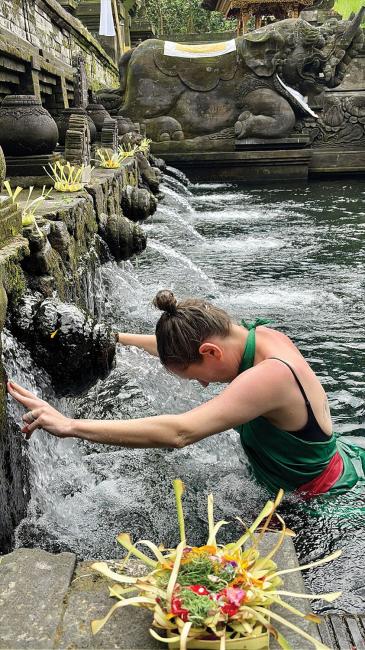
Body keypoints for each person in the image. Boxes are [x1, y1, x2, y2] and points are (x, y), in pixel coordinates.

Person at [8, 290, 365, 499]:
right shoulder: (255, 337)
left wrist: (69, 424)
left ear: (210, 351)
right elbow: (176, 347)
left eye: (196, 377)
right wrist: (114, 338)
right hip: (316, 470)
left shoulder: (269, 377)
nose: (204, 385)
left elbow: (179, 433)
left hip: (319, 498)